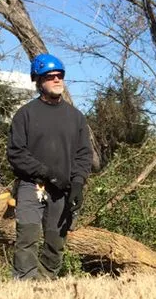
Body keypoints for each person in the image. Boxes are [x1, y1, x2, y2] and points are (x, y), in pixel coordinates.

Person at [6, 53, 92, 280]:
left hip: (63, 189)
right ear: (38, 81)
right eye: (50, 76)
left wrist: (78, 184)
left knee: (56, 240)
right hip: (31, 185)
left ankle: (45, 282)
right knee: (27, 236)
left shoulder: (76, 117)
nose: (57, 80)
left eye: (60, 75)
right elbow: (16, 153)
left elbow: (84, 155)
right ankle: (24, 283)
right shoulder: (25, 114)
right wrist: (48, 174)